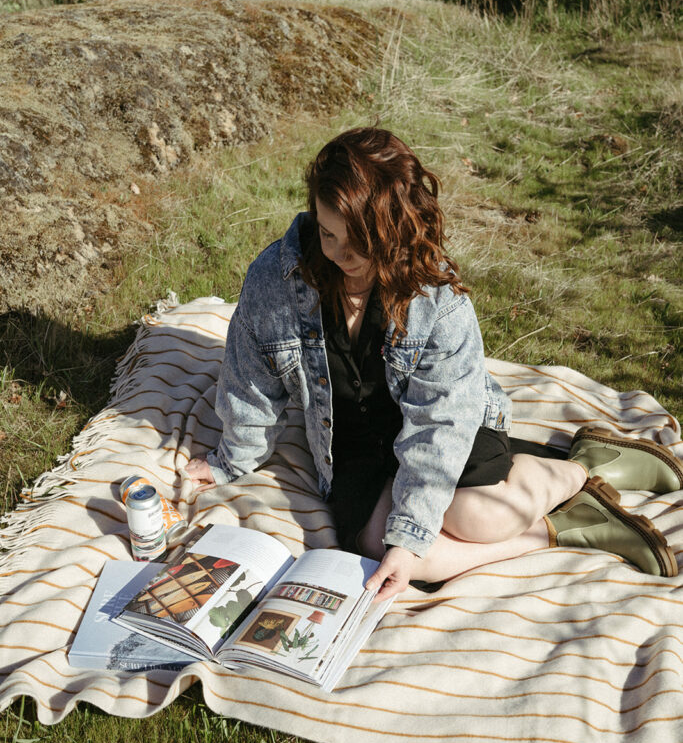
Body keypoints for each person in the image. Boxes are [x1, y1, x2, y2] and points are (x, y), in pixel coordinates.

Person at [187, 127, 682, 601]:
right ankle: (564, 528)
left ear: (394, 227)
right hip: (353, 444)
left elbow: (442, 420)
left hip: (436, 426)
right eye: (327, 233)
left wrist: (414, 528)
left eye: (357, 240)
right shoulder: (276, 279)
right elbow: (250, 378)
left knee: (478, 519)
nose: (339, 254)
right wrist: (233, 458)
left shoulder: (435, 297)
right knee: (387, 554)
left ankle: (577, 470)